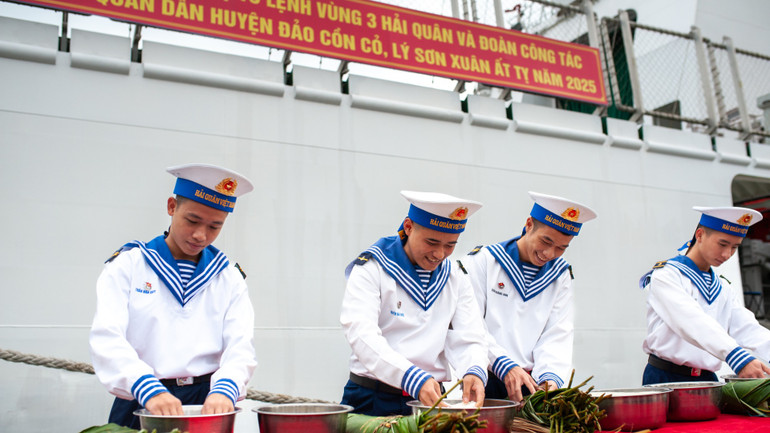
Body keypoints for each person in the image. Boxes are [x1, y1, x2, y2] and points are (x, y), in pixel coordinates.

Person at [89, 163, 258, 428]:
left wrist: (225, 390)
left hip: (209, 402)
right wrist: (149, 389)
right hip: (143, 399)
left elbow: (240, 346)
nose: (201, 235)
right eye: (192, 221)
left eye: (215, 227)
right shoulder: (130, 266)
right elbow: (107, 337)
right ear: (171, 207)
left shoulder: (228, 277)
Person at [340, 191, 489, 416]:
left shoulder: (455, 276)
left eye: (450, 245)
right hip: (373, 398)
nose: (439, 254)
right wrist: (411, 377)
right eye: (432, 242)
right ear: (408, 226)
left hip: (431, 400)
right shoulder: (373, 268)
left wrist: (474, 371)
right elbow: (361, 334)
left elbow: (471, 335)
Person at [460, 191, 597, 402]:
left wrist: (549, 381)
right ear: (529, 224)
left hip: (532, 383)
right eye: (546, 241)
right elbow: (470, 325)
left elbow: (556, 333)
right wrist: (504, 365)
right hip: (485, 376)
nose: (549, 254)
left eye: (561, 247)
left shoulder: (560, 275)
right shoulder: (485, 261)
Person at [640, 206, 770, 385]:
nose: (727, 254)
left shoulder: (722, 286)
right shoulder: (666, 276)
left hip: (708, 379)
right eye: (722, 244)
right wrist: (737, 357)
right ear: (700, 235)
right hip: (666, 377)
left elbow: (747, 328)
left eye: (734, 247)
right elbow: (690, 320)